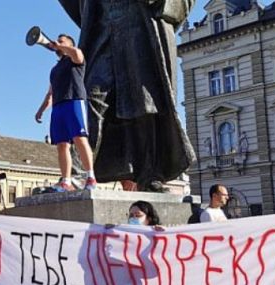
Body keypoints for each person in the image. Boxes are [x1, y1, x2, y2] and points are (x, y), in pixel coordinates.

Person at [58, 0, 196, 192]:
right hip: (103, 29)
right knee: (90, 98)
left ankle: (149, 175)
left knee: (145, 103)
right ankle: (77, 174)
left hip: (140, 24)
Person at [35, 33, 97, 192]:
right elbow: (50, 93)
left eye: (62, 41)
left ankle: (90, 177)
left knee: (79, 138)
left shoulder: (75, 59)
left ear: (69, 44)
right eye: (58, 41)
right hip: (58, 107)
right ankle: (66, 181)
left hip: (74, 101)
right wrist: (41, 110)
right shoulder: (55, 69)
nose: (58, 43)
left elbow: (77, 53)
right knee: (62, 145)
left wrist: (60, 46)